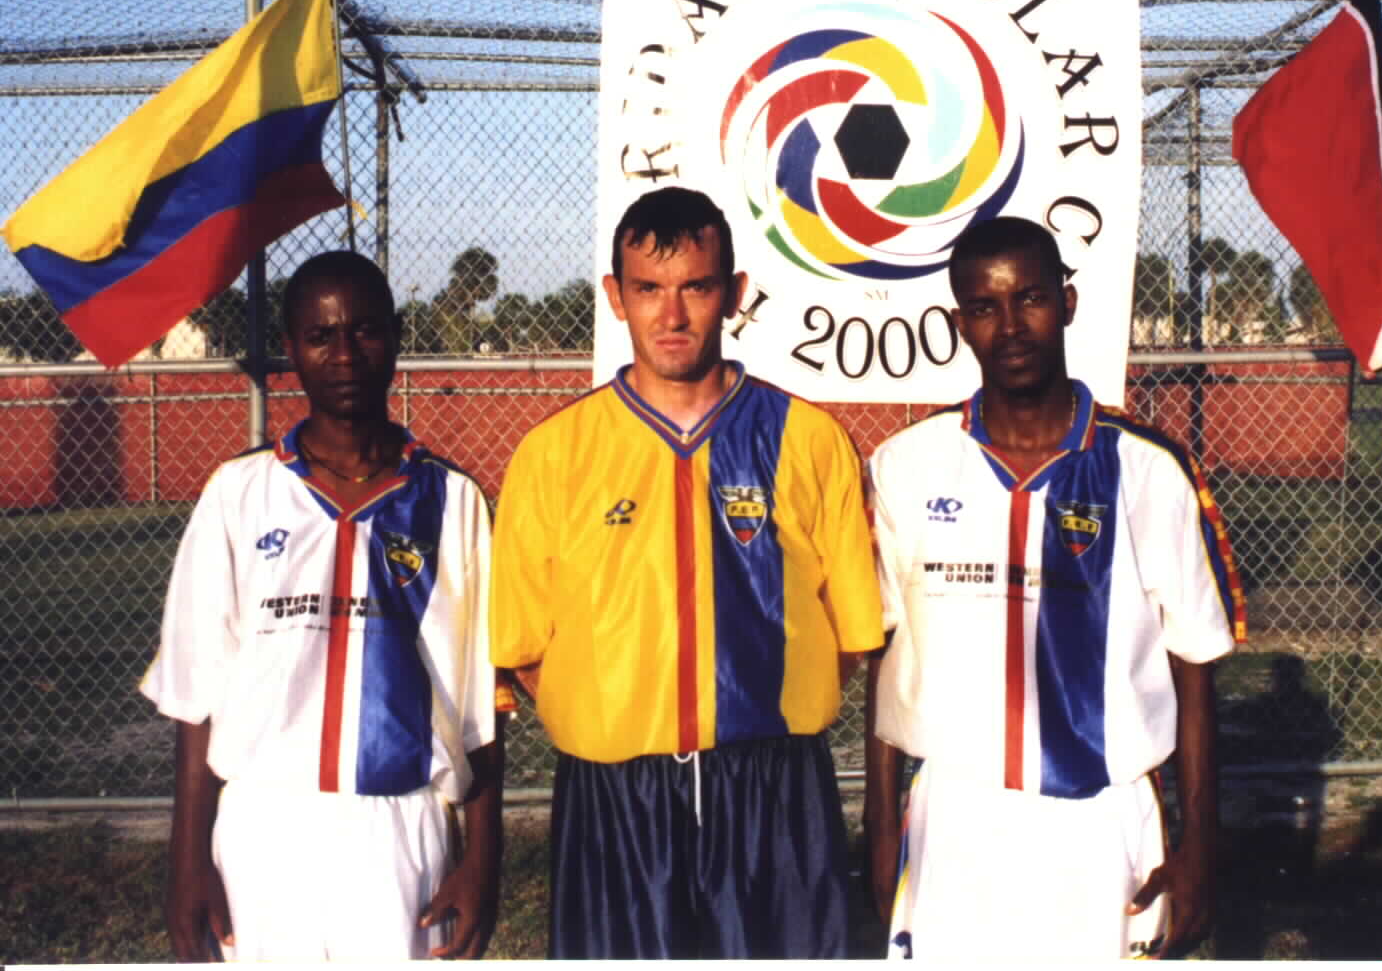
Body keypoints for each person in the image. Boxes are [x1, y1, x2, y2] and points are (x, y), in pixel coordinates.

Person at [490, 186, 885, 958]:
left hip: (772, 786)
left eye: (696, 287)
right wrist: (619, 711)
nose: (671, 316)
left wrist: (753, 705)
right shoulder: (554, 454)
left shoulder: (808, 439)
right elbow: (526, 646)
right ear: (615, 296)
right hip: (617, 796)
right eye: (648, 289)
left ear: (733, 294)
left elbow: (848, 633)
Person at [863, 217, 1245, 960]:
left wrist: (1201, 841)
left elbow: (1194, 665)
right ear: (957, 322)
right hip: (957, 816)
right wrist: (881, 833)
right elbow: (885, 657)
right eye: (983, 306)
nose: (1010, 326)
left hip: (1101, 815)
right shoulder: (907, 465)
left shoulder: (1148, 468)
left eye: (1030, 297)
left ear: (1067, 303)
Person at [140, 251, 505, 961]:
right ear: (291, 350)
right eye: (320, 336)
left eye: (365, 331)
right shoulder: (237, 494)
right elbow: (195, 697)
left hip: (403, 826)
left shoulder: (453, 501)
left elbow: (481, 714)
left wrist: (482, 861)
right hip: (263, 826)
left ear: (396, 338)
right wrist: (187, 858)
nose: (344, 354)